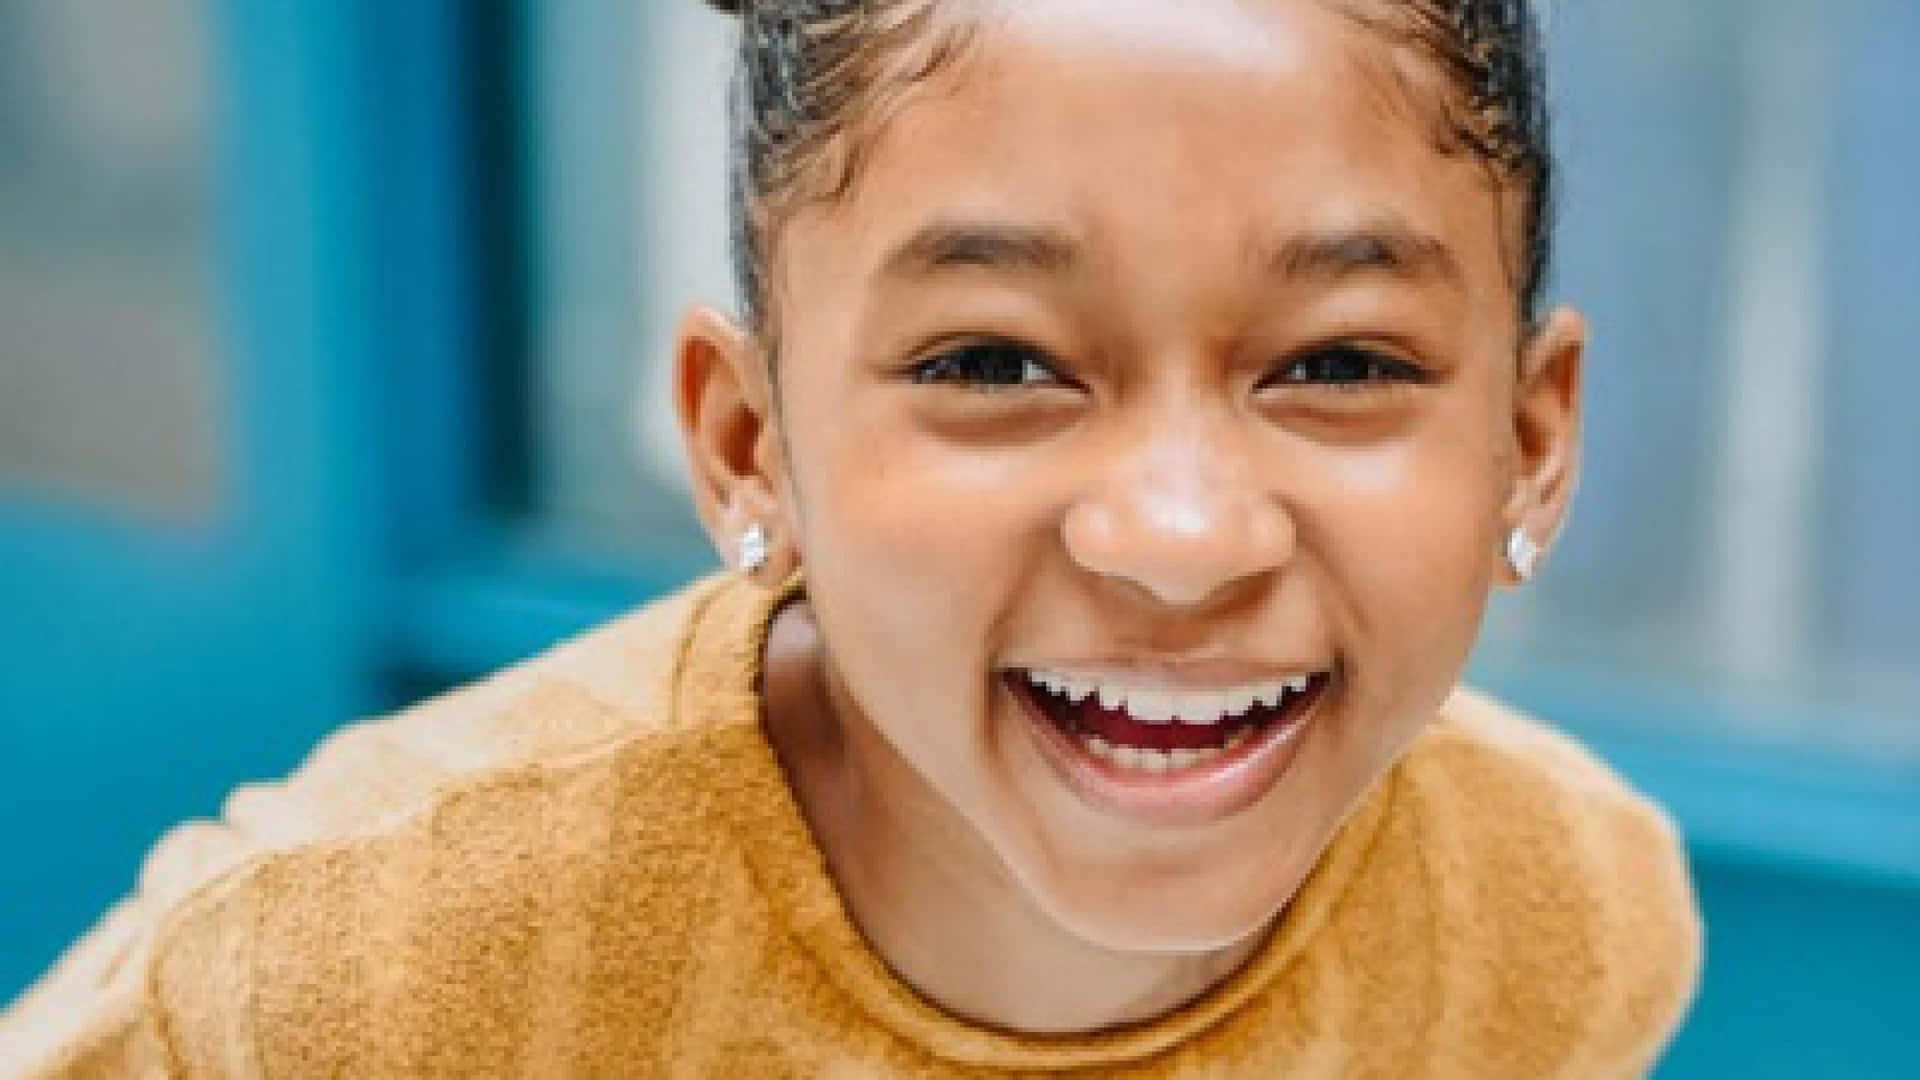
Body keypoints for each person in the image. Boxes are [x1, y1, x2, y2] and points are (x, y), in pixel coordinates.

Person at [0, 0, 1702, 1075]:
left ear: (1530, 447)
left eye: (1339, 364)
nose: (1180, 538)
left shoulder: (1560, 919)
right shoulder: (359, 980)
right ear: (751, 448)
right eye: (992, 363)